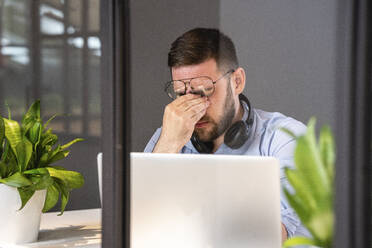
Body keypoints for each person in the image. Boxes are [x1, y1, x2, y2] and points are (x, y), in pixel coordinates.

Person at [144, 27, 309, 242]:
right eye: (180, 93)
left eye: (203, 91)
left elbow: (278, 236)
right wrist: (167, 146)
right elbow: (135, 224)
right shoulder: (168, 137)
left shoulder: (287, 138)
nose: (192, 106)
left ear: (237, 81)